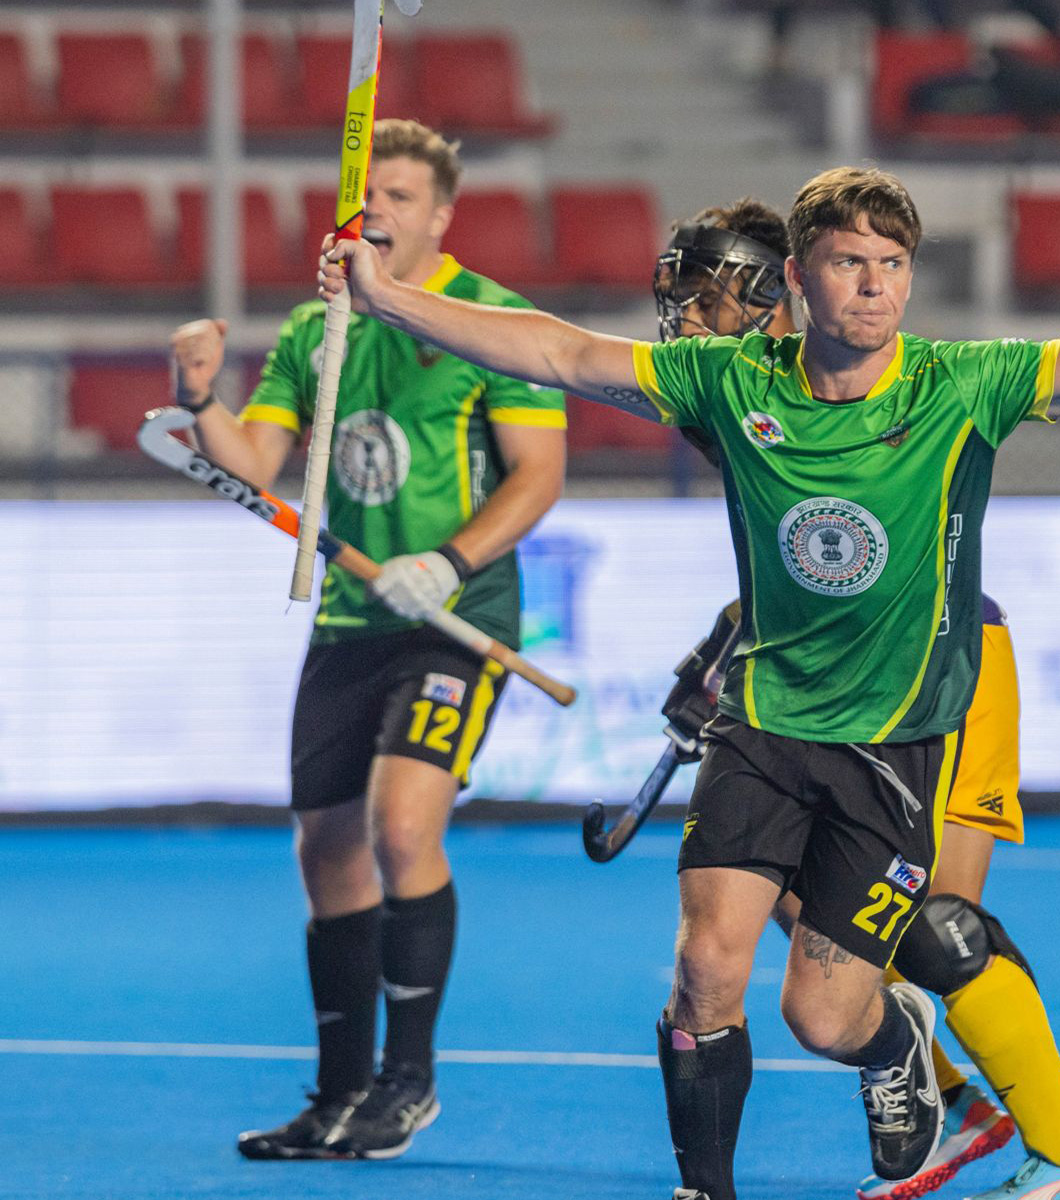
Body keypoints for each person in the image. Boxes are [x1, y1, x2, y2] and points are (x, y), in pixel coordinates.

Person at [318, 166, 1060, 1199]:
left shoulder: (954, 384)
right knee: (713, 961)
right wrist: (385, 293)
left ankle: (1059, 1149)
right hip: (770, 720)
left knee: (926, 938)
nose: (875, 283)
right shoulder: (727, 382)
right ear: (800, 279)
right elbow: (553, 351)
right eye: (851, 262)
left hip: (924, 700)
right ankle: (764, 1163)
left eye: (892, 263)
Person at [653, 197, 1060, 1200]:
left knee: (933, 925)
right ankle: (937, 1088)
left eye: (698, 301)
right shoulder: (740, 387)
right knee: (790, 898)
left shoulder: (854, 366)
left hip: (945, 672)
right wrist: (726, 649)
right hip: (814, 694)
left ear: (769, 295)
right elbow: (799, 557)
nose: (680, 324)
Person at [169, 118, 567, 1160]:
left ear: (439, 213)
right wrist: (199, 395)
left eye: (396, 196)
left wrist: (449, 564)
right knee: (327, 852)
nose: (374, 212)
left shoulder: (491, 320)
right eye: (365, 197)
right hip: (349, 619)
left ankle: (409, 1081)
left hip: (455, 623)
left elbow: (536, 476)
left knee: (401, 828)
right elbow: (253, 466)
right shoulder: (317, 330)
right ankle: (338, 1094)